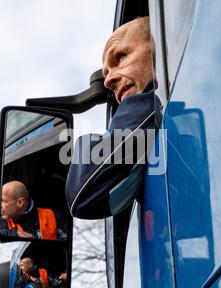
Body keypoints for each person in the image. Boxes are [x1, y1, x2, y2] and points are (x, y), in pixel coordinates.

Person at [66, 16, 159, 219]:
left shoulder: (158, 108)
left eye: (121, 57)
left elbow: (83, 194)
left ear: (159, 47)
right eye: (106, 72)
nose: (108, 81)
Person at [0, 180, 67, 240]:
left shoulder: (53, 217)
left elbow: (74, 241)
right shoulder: (0, 223)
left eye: (3, 201)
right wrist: (16, 234)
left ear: (20, 203)